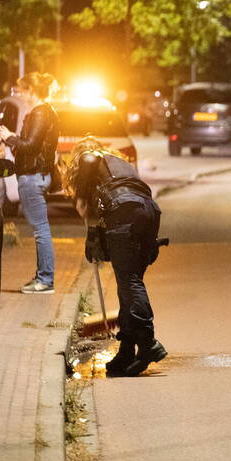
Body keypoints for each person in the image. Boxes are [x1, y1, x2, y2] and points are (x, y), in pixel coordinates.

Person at [64, 137, 167, 377]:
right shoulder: (115, 165)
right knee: (127, 284)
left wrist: (81, 199)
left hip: (126, 213)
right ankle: (127, 350)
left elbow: (88, 159)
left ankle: (148, 342)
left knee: (129, 281)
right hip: (148, 211)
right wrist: (94, 239)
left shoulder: (91, 159)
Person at [0, 72, 59, 294]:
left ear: (31, 90)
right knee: (40, 228)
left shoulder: (40, 112)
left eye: (22, 90)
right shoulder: (44, 111)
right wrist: (14, 139)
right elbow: (31, 145)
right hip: (35, 175)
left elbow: (31, 146)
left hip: (33, 176)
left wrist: (9, 137)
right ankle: (43, 276)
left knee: (41, 229)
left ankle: (45, 280)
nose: (19, 94)